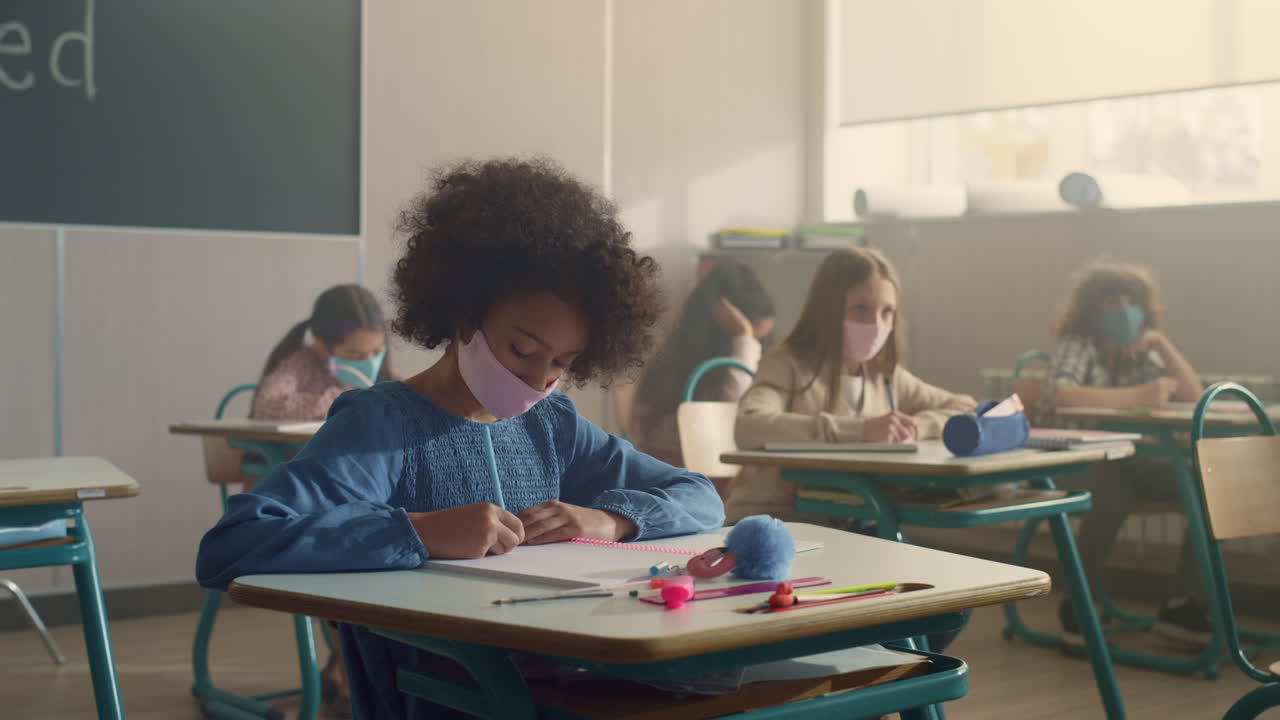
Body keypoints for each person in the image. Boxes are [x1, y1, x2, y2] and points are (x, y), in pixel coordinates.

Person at [195, 157, 725, 719]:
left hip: (554, 683)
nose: (538, 379)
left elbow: (700, 495)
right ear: (464, 313)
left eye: (562, 362)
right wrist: (416, 532)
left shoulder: (554, 425)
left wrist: (611, 519)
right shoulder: (381, 425)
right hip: (434, 701)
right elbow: (233, 544)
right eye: (522, 350)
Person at [727, 246, 976, 523]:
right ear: (828, 309)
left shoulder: (884, 375)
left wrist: (915, 427)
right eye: (861, 309)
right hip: (774, 523)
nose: (876, 324)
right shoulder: (787, 364)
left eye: (887, 312)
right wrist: (861, 430)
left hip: (853, 520)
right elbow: (749, 425)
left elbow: (965, 407)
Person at [1046, 260, 1207, 645]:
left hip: (1127, 461)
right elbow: (1063, 395)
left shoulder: (1141, 349)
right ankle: (1077, 604)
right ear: (1091, 308)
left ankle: (1183, 605)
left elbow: (1194, 396)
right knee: (1114, 487)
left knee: (1209, 485)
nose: (1122, 309)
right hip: (1069, 460)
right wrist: (1138, 396)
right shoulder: (1079, 344)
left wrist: (1162, 345)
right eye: (1110, 301)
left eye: (1130, 301)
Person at [630, 259, 775, 482]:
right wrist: (743, 339)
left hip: (715, 471)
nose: (753, 352)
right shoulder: (680, 367)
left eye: (759, 343)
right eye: (752, 344)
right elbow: (733, 415)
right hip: (679, 473)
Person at [253, 283, 397, 421]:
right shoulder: (302, 364)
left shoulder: (388, 377)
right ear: (321, 347)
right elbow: (266, 405)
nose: (370, 362)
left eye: (377, 351)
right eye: (355, 354)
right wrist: (339, 400)